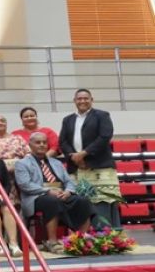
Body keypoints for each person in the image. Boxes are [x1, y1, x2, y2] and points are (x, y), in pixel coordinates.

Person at [16, 132, 95, 254]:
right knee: (51, 201)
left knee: (83, 200)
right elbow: (25, 185)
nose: (42, 145)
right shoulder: (22, 163)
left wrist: (68, 191)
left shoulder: (56, 163)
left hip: (60, 193)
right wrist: (48, 191)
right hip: (37, 196)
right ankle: (52, 242)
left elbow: (69, 181)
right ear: (30, 145)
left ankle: (81, 237)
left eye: (44, 142)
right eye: (38, 142)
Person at [59, 88, 121, 228]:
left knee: (103, 202)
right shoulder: (67, 120)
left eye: (86, 98)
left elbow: (105, 136)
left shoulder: (102, 115)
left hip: (100, 167)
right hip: (77, 168)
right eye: (79, 99)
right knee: (82, 202)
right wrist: (75, 158)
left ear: (91, 100)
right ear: (74, 101)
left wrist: (84, 154)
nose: (82, 101)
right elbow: (63, 142)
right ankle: (84, 236)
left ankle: (105, 236)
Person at [0, 114, 30, 204]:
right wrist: (3, 169)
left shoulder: (17, 138)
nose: (0, 123)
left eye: (2, 121)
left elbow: (29, 154)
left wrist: (19, 167)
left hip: (20, 172)